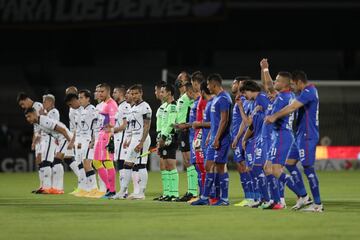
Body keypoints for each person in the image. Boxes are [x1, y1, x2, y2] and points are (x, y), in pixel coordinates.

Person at [265, 70, 323, 212]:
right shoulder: (303, 93)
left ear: (298, 82)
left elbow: (292, 107)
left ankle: (317, 204)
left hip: (308, 136)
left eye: (293, 84)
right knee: (289, 164)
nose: (292, 87)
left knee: (308, 169)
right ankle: (303, 196)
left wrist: (274, 116)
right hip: (299, 135)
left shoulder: (309, 92)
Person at [192, 73, 232, 206]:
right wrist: (210, 136)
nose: (207, 86)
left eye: (208, 84)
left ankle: (224, 199)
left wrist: (218, 138)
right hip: (214, 137)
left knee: (220, 167)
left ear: (214, 84)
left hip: (222, 139)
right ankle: (205, 197)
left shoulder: (224, 98)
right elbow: (215, 122)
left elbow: (224, 120)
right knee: (208, 166)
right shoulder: (215, 99)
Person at [115, 84, 152, 200]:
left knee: (140, 164)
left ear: (141, 93)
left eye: (136, 93)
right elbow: (132, 126)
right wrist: (128, 139)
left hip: (142, 138)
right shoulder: (133, 108)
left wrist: (141, 142)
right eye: (132, 93)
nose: (134, 96)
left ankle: (140, 192)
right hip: (134, 139)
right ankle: (124, 191)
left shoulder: (145, 107)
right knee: (130, 164)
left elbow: (147, 126)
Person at [24, 108, 73, 193]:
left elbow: (63, 130)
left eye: (29, 116)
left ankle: (58, 189)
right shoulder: (38, 123)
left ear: (35, 114)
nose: (28, 119)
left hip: (65, 138)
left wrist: (70, 142)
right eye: (27, 117)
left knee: (57, 161)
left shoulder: (44, 121)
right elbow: (45, 133)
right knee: (57, 162)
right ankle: (55, 188)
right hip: (59, 139)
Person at [92, 83, 118, 198]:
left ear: (108, 92)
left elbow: (113, 123)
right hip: (101, 135)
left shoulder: (111, 104)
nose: (99, 93)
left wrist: (110, 137)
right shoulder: (104, 104)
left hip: (106, 136)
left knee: (108, 162)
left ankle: (112, 191)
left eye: (102, 91)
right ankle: (109, 188)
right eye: (98, 91)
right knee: (96, 162)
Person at [17, 92, 44, 193]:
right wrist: (33, 141)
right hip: (38, 138)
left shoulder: (38, 106)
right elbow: (35, 128)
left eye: (22, 104)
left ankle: (48, 186)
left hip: (44, 137)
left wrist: (39, 137)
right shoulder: (31, 110)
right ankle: (42, 186)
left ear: (27, 99)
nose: (23, 107)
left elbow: (44, 122)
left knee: (43, 161)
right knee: (39, 162)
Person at [158, 84, 179, 201]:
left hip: (170, 138)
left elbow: (171, 123)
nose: (161, 94)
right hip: (164, 137)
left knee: (171, 164)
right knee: (166, 165)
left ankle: (174, 194)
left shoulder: (172, 106)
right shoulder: (166, 106)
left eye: (163, 92)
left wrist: (163, 137)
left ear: (169, 93)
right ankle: (168, 193)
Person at [42, 94, 65, 194]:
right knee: (53, 163)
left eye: (45, 102)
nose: (43, 104)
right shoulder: (50, 112)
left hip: (53, 139)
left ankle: (56, 188)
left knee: (53, 162)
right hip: (51, 139)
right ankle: (52, 187)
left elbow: (52, 126)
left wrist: (43, 116)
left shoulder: (54, 112)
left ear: (51, 102)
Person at [153, 81, 169, 201]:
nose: (156, 93)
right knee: (163, 166)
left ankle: (171, 193)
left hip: (166, 138)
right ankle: (166, 192)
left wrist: (163, 138)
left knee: (168, 165)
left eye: (157, 91)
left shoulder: (169, 106)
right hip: (161, 137)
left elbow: (167, 124)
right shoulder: (162, 107)